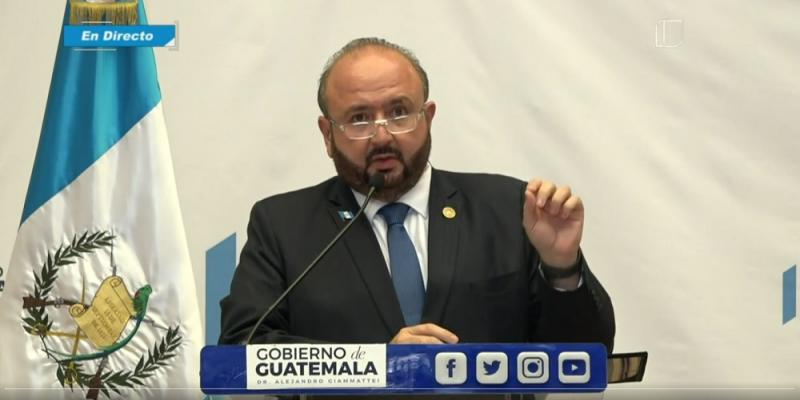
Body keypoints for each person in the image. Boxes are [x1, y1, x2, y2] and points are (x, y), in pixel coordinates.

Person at [219, 38, 615, 351]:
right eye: (359, 118)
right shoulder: (283, 226)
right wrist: (376, 367)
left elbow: (586, 353)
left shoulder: (509, 208)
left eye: (399, 112)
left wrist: (561, 269)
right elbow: (243, 347)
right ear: (327, 134)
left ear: (428, 117)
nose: (382, 136)